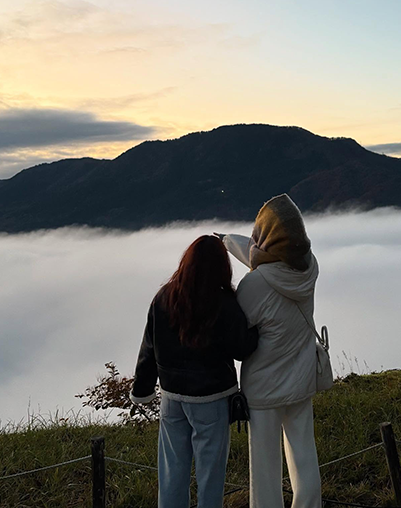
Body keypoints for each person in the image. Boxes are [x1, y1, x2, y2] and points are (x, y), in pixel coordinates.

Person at [130, 235, 259, 508]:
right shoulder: (224, 302)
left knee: (172, 471)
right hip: (212, 398)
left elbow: (149, 347)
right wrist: (258, 330)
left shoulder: (164, 296)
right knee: (210, 474)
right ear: (221, 266)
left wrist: (142, 390)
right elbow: (242, 349)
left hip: (172, 398)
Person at [217, 193, 322, 508]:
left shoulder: (255, 284)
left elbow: (239, 327)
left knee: (264, 466)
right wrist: (227, 240)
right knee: (304, 454)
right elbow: (266, 259)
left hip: (264, 388)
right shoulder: (309, 269)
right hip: (302, 379)